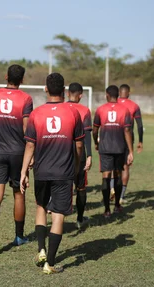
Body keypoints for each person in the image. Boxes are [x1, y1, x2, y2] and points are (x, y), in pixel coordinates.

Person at [20, 73, 84, 274]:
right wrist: (77, 166)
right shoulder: (73, 113)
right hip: (64, 172)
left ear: (46, 89)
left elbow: (30, 145)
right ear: (64, 90)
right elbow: (80, 145)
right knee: (58, 215)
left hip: (41, 171)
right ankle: (51, 263)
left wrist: (23, 172)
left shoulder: (36, 114)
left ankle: (41, 250)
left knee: (40, 206)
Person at [0, 64, 33, 253]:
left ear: (6, 77)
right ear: (22, 80)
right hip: (18, 153)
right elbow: (27, 129)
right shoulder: (26, 99)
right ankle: (19, 236)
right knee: (18, 194)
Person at [93, 85, 134, 218]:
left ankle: (106, 210)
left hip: (105, 147)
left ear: (106, 95)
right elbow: (127, 130)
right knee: (117, 174)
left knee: (106, 176)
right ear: (118, 95)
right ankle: (117, 205)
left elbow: (95, 129)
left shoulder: (100, 109)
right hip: (119, 147)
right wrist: (131, 151)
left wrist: (96, 142)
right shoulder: (125, 110)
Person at [67, 83, 92, 229]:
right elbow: (87, 135)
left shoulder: (61, 108)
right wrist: (89, 155)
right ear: (81, 95)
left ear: (67, 93)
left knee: (62, 185)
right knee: (81, 187)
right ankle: (80, 219)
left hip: (61, 153)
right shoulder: (84, 111)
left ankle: (56, 214)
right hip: (79, 153)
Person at [114, 84, 144, 204]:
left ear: (119, 92)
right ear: (129, 93)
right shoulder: (134, 106)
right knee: (125, 166)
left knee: (113, 165)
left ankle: (112, 189)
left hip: (112, 138)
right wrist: (140, 141)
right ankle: (121, 196)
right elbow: (140, 125)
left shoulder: (112, 103)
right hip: (127, 139)